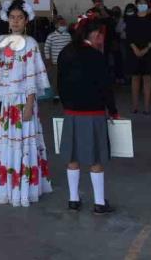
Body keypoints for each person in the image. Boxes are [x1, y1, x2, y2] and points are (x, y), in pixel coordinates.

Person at [0, 0, 52, 206]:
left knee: (22, 143)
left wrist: (29, 104)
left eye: (20, 18)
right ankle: (3, 186)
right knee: (2, 143)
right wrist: (0, 46)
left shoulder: (30, 44)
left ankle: (22, 187)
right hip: (2, 99)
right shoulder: (2, 39)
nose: (16, 21)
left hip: (21, 100)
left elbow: (31, 77)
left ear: (26, 21)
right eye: (12, 17)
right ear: (7, 19)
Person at [57, 17, 117, 215]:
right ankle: (99, 202)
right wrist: (113, 110)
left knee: (72, 156)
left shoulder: (66, 52)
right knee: (96, 158)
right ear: (95, 34)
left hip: (72, 112)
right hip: (94, 112)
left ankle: (73, 199)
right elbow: (105, 87)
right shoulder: (97, 56)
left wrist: (67, 105)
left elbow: (60, 83)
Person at [126, 0, 151, 114]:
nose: (142, 5)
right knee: (135, 79)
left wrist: (145, 49)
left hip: (149, 52)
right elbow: (128, 37)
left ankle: (146, 107)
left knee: (147, 79)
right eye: (140, 3)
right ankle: (135, 106)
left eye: (144, 3)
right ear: (136, 5)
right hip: (134, 52)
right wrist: (135, 49)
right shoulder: (131, 19)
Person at [43, 17, 72, 101]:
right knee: (56, 80)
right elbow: (46, 47)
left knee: (66, 78)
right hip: (55, 62)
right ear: (56, 25)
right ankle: (56, 95)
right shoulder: (51, 36)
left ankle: (65, 94)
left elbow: (70, 47)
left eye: (64, 24)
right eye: (61, 24)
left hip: (66, 62)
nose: (63, 25)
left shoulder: (68, 35)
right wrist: (48, 59)